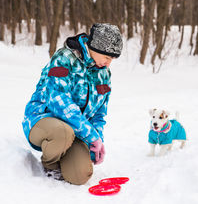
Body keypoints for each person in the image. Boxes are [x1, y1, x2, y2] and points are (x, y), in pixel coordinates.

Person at [22, 23, 123, 185]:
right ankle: (50, 164)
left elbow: (99, 114)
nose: (108, 63)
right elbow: (59, 103)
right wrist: (91, 135)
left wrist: (96, 142)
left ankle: (64, 156)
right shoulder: (64, 59)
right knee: (63, 132)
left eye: (112, 59)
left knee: (80, 175)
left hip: (76, 131)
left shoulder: (104, 74)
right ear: (95, 48)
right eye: (107, 57)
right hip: (42, 121)